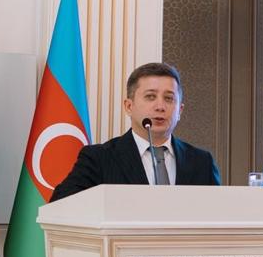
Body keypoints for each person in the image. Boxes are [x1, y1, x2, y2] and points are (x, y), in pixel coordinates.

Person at [51, 62, 221, 200]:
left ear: (180, 111)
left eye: (169, 98)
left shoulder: (202, 162)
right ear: (129, 106)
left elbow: (219, 215)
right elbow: (61, 203)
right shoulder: (99, 159)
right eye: (150, 96)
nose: (160, 106)